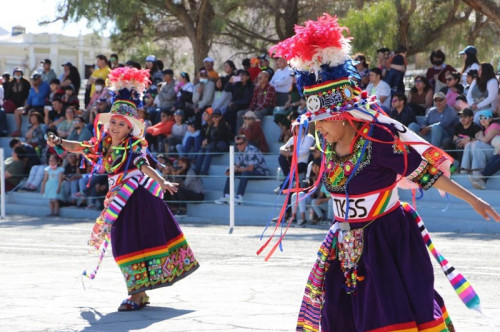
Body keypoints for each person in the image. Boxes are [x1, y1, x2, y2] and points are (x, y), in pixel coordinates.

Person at [262, 15, 500, 332]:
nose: (318, 129)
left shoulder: (377, 140)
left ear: (344, 116)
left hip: (388, 243)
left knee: (389, 316)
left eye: (323, 121)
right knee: (340, 316)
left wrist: (474, 201)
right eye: (316, 122)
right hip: (343, 246)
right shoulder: (329, 148)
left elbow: (425, 174)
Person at [46, 66, 199, 311]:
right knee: (122, 244)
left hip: (139, 198)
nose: (115, 126)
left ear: (130, 128)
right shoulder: (103, 144)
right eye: (113, 122)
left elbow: (144, 166)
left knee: (132, 243)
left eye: (121, 123)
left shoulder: (134, 146)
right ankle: (139, 293)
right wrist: (60, 141)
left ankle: (137, 295)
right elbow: (80, 147)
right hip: (118, 198)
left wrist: (162, 181)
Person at [214, 134, 269, 205]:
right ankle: (226, 196)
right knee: (232, 172)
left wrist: (238, 170)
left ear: (246, 143)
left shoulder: (251, 150)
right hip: (250, 171)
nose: (239, 146)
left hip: (261, 172)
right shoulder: (240, 151)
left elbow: (250, 168)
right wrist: (231, 169)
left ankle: (239, 197)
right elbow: (238, 165)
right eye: (237, 144)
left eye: (241, 143)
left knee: (245, 173)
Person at [461, 110, 500, 188]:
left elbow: (485, 140)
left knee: (476, 143)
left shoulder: (495, 126)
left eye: (485, 118)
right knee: (469, 144)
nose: (483, 120)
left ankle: (477, 170)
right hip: (492, 152)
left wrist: (475, 138)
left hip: (495, 151)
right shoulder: (484, 130)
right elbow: (481, 139)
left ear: (490, 119)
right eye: (480, 118)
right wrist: (474, 138)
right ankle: (464, 169)